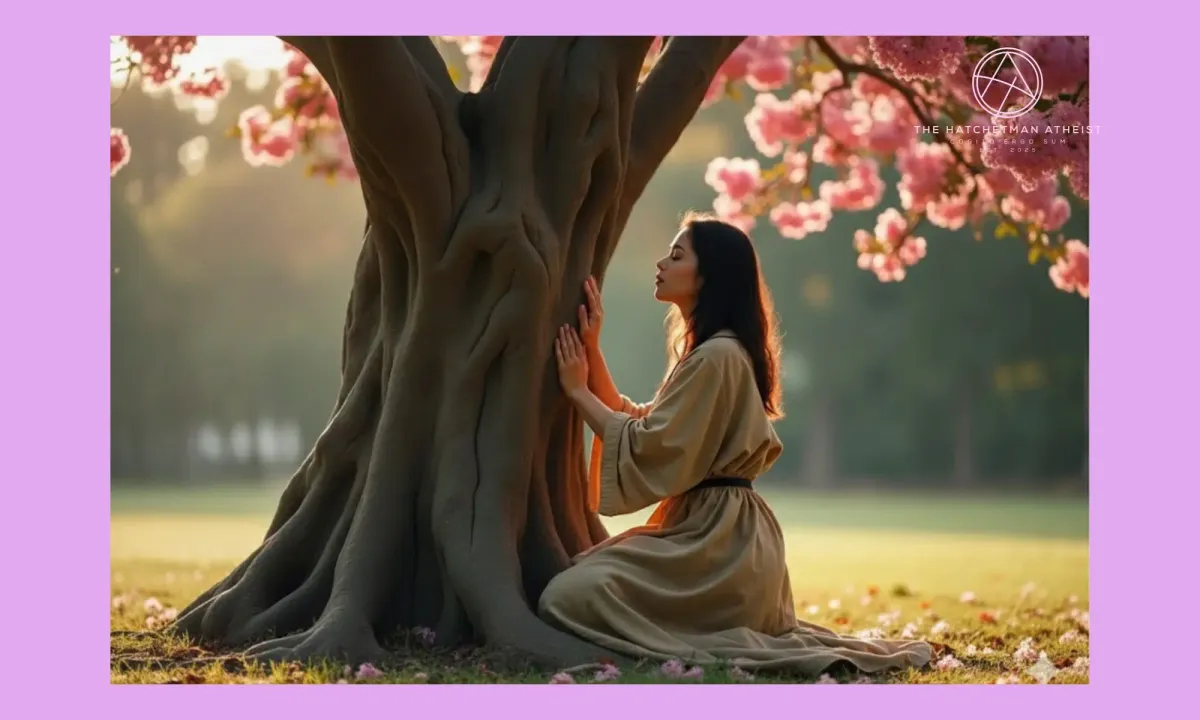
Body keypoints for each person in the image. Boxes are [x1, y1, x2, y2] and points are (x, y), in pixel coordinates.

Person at [539, 212, 932, 677]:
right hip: (716, 538)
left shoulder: (718, 355)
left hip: (721, 545)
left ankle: (678, 647)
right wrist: (593, 350)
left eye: (677, 255)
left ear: (709, 276)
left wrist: (578, 392)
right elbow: (645, 422)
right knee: (578, 582)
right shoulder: (710, 353)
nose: (661, 263)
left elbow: (650, 443)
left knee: (565, 596)